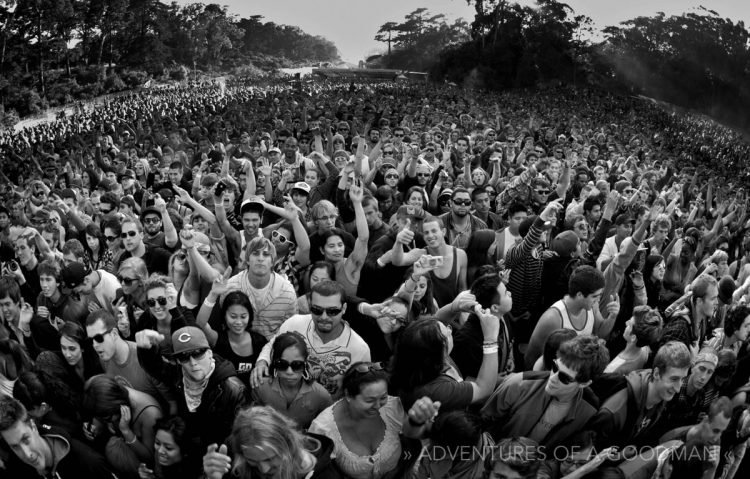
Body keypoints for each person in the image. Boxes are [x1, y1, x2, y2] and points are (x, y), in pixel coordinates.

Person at [481, 334, 608, 447]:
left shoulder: (589, 411)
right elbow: (483, 422)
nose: (552, 378)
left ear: (585, 383)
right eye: (555, 367)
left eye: (564, 378)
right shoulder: (519, 383)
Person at [251, 280, 370, 399]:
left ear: (344, 308)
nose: (324, 317)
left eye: (332, 311)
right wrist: (262, 362)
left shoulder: (359, 349)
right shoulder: (294, 323)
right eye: (317, 310)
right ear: (309, 305)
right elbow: (272, 345)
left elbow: (360, 393)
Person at [135, 325, 246, 450]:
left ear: (210, 353)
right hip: (188, 446)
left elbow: (240, 435)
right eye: (184, 357)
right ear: (178, 361)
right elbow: (155, 367)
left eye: (198, 353)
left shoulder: (233, 389)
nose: (193, 362)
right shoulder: (179, 374)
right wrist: (146, 349)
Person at [309, 362, 406, 479]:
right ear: (348, 395)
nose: (378, 405)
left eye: (383, 397)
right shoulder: (323, 429)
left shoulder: (393, 408)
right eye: (370, 400)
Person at [589, 340, 692, 449]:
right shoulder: (614, 413)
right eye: (674, 379)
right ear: (657, 374)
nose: (677, 388)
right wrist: (620, 456)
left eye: (682, 379)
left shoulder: (662, 393)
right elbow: (590, 453)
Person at [201, 405, 338, 479]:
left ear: (289, 445)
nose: (263, 469)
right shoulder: (232, 463)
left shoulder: (326, 475)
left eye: (270, 458)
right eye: (253, 461)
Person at [0, 395, 117, 478]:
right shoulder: (17, 468)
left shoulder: (89, 464)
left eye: (25, 439)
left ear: (33, 427)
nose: (27, 454)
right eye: (15, 447)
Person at [526, 266, 619, 369]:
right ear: (579, 295)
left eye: (599, 296)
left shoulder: (592, 306)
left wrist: (612, 316)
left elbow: (601, 331)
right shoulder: (552, 319)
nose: (598, 300)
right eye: (594, 296)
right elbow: (531, 357)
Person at [82, 374, 163, 478]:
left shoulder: (150, 414)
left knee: (113, 449)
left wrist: (126, 431)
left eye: (105, 418)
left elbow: (149, 458)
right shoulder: (111, 398)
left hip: (145, 468)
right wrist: (96, 425)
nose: (104, 420)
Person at [251, 331, 332, 429]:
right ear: (274, 363)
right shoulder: (260, 388)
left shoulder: (320, 395)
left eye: (297, 365)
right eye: (282, 364)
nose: (289, 372)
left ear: (305, 363)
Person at [224, 237, 298, 340]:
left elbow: (291, 331)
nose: (260, 258)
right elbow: (224, 325)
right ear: (248, 260)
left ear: (272, 262)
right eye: (255, 253)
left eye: (266, 254)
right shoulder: (231, 287)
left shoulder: (287, 292)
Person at [196, 288, 267, 388]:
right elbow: (200, 324)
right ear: (225, 316)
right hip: (227, 399)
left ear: (249, 316)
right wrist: (213, 293)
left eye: (243, 317)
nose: (238, 322)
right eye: (233, 316)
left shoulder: (260, 341)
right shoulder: (218, 340)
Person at [604, 306, 663, 374]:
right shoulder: (645, 350)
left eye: (629, 324)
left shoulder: (613, 369)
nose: (626, 323)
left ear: (633, 337)